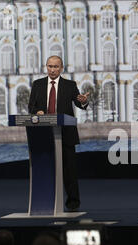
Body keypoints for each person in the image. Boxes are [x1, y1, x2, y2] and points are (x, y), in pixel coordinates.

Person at [28, 55, 89, 212]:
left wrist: (82, 101)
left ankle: (73, 203)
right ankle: (44, 201)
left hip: (66, 134)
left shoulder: (70, 85)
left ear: (61, 68)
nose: (52, 70)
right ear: (46, 67)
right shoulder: (37, 85)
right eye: (50, 66)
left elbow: (79, 103)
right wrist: (38, 111)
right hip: (43, 135)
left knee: (69, 171)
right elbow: (31, 108)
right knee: (45, 170)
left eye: (55, 67)